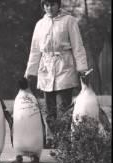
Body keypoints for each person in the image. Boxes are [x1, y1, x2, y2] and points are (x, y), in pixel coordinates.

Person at [24, 0, 88, 147]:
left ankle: (64, 140)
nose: (49, 8)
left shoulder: (69, 21)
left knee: (63, 107)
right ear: (43, 6)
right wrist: (30, 72)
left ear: (58, 5)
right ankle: (51, 138)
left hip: (64, 67)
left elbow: (78, 47)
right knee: (49, 108)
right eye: (46, 5)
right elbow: (35, 50)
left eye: (52, 4)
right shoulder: (40, 24)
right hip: (46, 69)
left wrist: (82, 70)